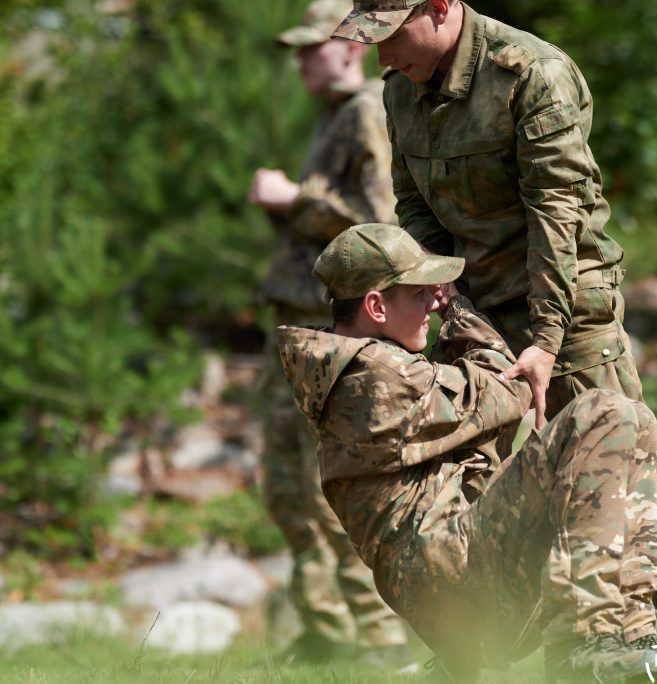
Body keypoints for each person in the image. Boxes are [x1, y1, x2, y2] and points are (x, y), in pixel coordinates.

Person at [329, 0, 657, 647]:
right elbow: (414, 205)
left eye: (390, 34)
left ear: (439, 8)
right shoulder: (401, 92)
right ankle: (488, 637)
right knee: (477, 480)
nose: (381, 55)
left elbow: (558, 218)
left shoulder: (530, 74)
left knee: (618, 452)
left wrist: (546, 341)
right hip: (477, 311)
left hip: (567, 306)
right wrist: (442, 290)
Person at [277, 223, 657, 682]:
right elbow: (504, 392)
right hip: (453, 578)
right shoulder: (370, 378)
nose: (433, 303)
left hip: (452, 572)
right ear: (376, 305)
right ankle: (584, 639)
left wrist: (446, 310)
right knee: (599, 413)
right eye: (421, 293)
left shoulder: (363, 366)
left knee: (635, 421)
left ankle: (628, 635)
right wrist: (459, 306)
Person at [247, 0, 411, 666]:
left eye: (313, 46)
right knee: (284, 483)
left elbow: (379, 225)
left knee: (328, 485)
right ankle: (324, 629)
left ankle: (376, 635)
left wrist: (296, 200)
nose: (302, 60)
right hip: (293, 323)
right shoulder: (332, 118)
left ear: (351, 46)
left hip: (326, 329)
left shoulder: (368, 111)